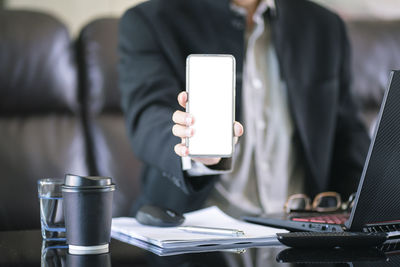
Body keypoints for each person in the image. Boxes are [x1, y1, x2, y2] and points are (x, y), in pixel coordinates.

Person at [119, 0, 370, 217]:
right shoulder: (149, 21)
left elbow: (348, 134)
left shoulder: (324, 26)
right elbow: (148, 117)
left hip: (300, 235)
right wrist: (191, 148)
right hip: (196, 234)